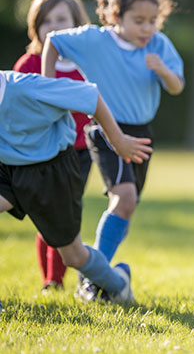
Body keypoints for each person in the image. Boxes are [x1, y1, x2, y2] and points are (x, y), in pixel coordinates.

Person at [41, 0, 184, 299]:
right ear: (116, 16)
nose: (147, 29)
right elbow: (54, 42)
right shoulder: (96, 40)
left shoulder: (159, 45)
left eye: (152, 21)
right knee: (125, 198)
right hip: (106, 128)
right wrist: (47, 88)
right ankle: (94, 278)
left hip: (142, 133)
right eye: (139, 21)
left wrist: (162, 70)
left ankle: (93, 275)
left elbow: (177, 86)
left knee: (126, 208)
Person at [0, 70, 153, 304]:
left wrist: (119, 141)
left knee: (72, 255)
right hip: (7, 167)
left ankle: (119, 284)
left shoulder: (26, 87)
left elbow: (91, 96)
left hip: (50, 171)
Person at [13, 0, 92, 294]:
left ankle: (59, 278)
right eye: (46, 21)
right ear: (35, 27)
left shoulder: (85, 63)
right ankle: (52, 280)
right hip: (41, 152)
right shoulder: (28, 64)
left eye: (61, 18)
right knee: (45, 213)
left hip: (81, 151)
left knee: (66, 213)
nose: (54, 26)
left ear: (76, 22)